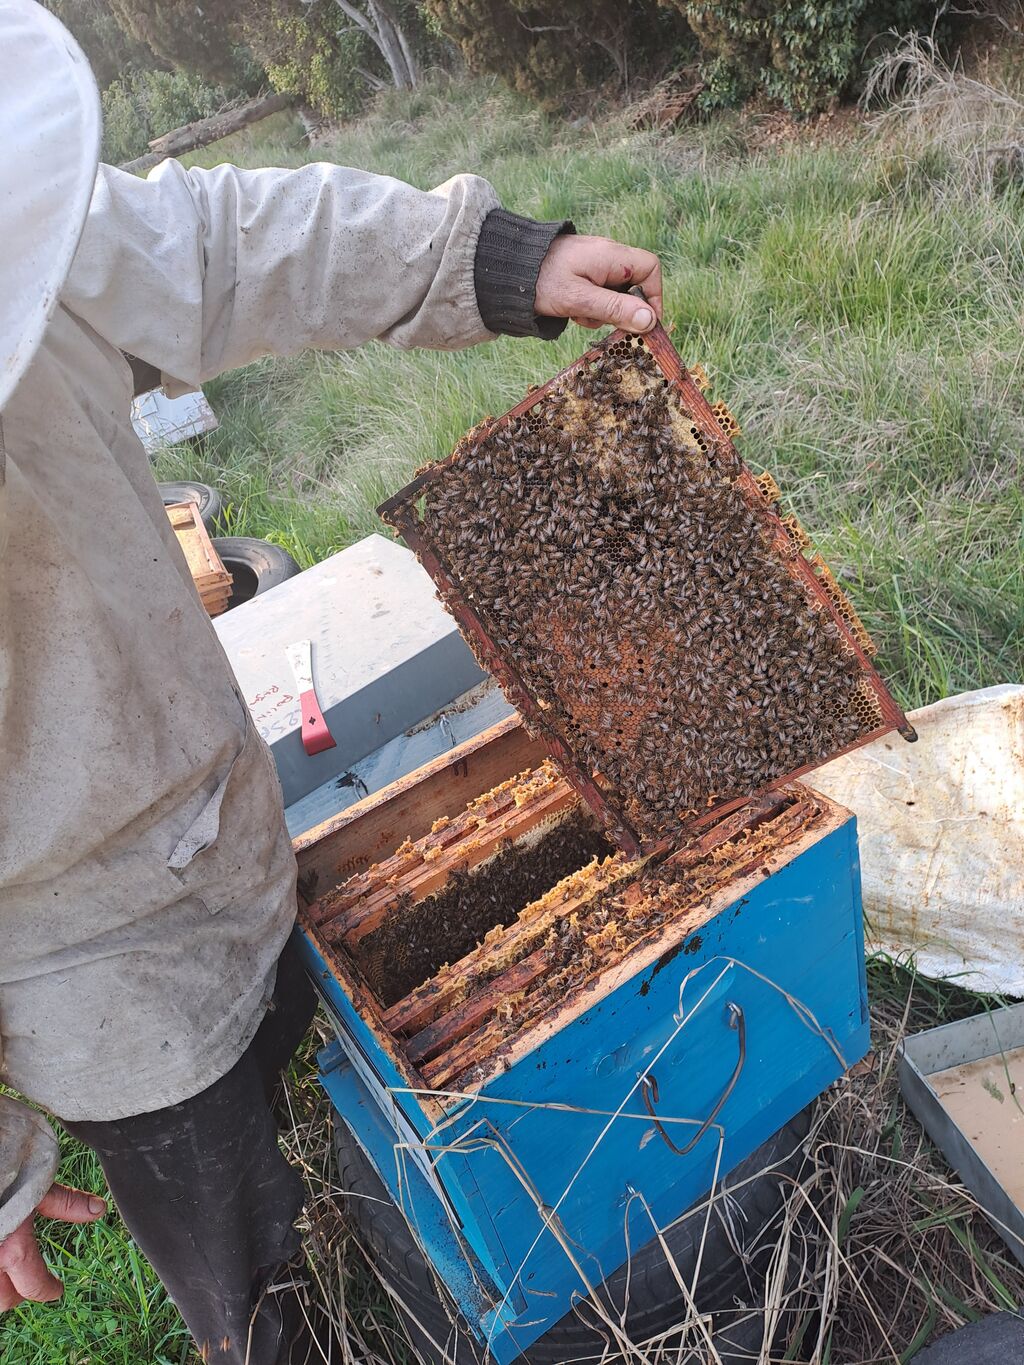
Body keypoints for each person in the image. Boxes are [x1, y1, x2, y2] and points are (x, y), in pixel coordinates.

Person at [0, 1, 664, 1360]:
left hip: (220, 810)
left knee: (319, 1053)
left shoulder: (26, 227)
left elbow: (214, 247)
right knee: (250, 1275)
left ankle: (362, 1180)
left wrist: (486, 260)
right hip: (90, 969)